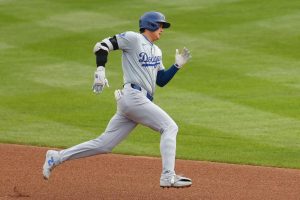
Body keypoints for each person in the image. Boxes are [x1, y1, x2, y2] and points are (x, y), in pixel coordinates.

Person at [43, 11, 192, 188]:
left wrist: (176, 66)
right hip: (133, 97)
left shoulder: (157, 51)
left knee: (104, 144)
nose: (163, 29)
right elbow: (101, 46)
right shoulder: (133, 38)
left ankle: (56, 157)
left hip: (136, 102)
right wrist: (100, 70)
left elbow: (161, 81)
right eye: (160, 25)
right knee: (170, 127)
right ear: (151, 25)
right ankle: (168, 176)